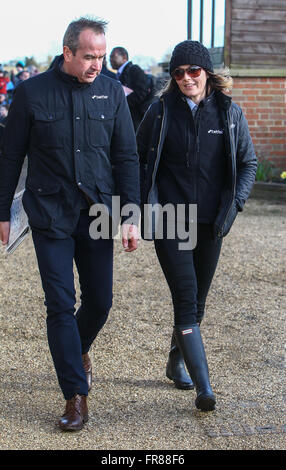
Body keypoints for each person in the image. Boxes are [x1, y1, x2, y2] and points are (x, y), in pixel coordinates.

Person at [0, 17, 140, 431]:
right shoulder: (30, 94)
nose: (98, 64)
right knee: (60, 304)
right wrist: (2, 211)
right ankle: (75, 395)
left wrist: (130, 214)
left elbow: (127, 157)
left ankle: (77, 351)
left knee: (100, 301)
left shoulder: (113, 92)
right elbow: (9, 158)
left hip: (97, 213)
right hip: (49, 214)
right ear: (68, 53)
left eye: (101, 56)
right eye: (90, 57)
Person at [136, 40, 257, 411]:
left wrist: (234, 205)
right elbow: (136, 160)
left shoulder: (229, 114)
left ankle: (176, 361)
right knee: (186, 299)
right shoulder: (159, 113)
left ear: (207, 73)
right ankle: (205, 389)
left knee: (198, 302)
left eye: (193, 71)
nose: (187, 78)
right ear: (172, 77)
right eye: (179, 73)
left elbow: (248, 163)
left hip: (211, 222)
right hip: (170, 221)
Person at [109, 47, 151, 131]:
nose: (110, 60)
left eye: (113, 56)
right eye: (110, 57)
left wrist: (122, 103)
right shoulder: (119, 74)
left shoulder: (134, 70)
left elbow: (142, 92)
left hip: (136, 119)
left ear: (124, 57)